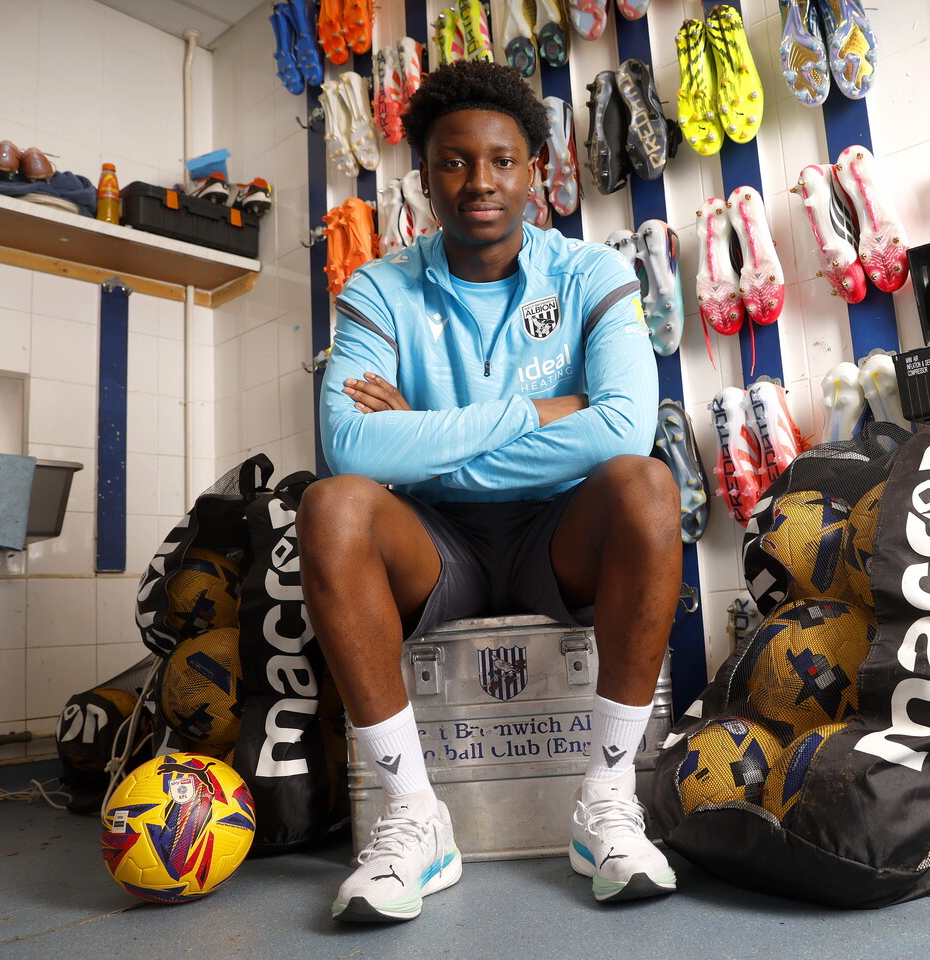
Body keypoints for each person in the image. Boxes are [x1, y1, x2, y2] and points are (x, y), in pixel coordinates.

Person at [296, 59, 682, 923]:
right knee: (333, 505)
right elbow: (350, 446)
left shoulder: (592, 275)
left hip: (558, 536)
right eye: (455, 161)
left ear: (535, 171)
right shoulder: (377, 287)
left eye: (503, 161)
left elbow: (623, 429)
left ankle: (608, 802)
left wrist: (424, 441)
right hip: (434, 545)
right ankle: (413, 817)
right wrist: (538, 414)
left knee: (647, 488)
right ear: (425, 176)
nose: (480, 182)